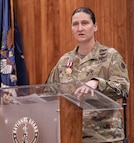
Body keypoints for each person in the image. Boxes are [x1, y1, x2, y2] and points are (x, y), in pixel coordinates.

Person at [46, 7, 130, 143]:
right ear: (71, 29)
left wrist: (97, 83)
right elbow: (48, 95)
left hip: (105, 137)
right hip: (71, 136)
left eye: (85, 23)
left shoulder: (110, 56)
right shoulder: (64, 61)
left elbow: (123, 88)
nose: (80, 28)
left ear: (95, 27)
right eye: (75, 24)